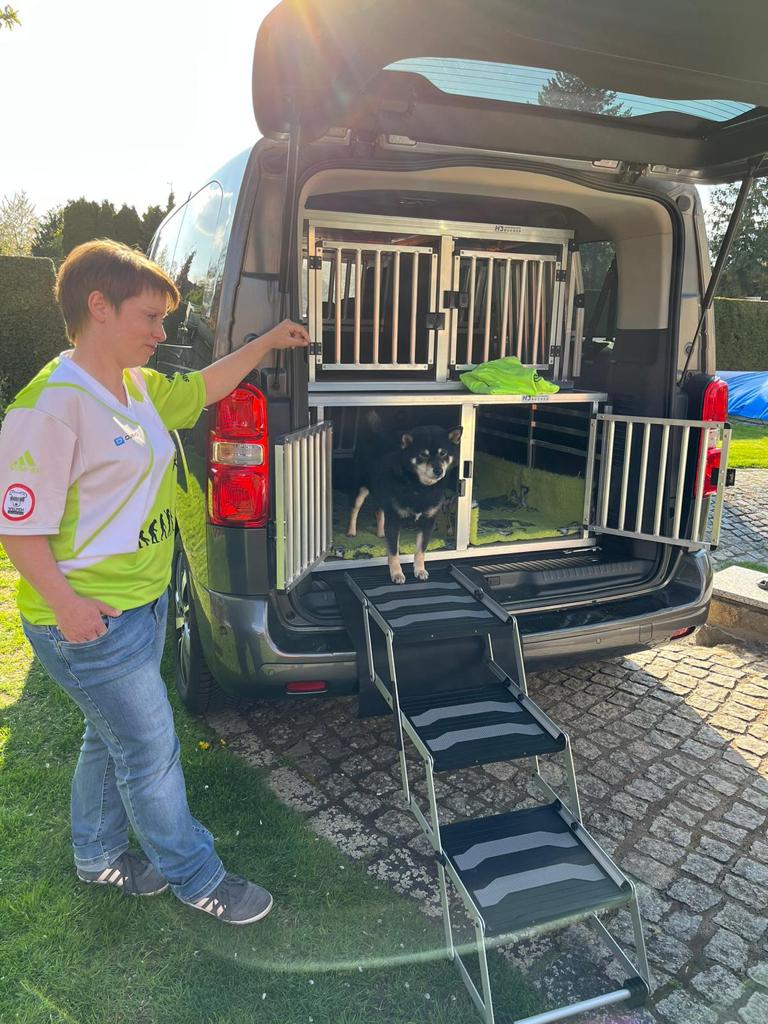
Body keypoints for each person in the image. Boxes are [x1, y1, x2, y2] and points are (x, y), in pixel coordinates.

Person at [0, 239, 309, 924]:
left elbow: (205, 386)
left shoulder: (136, 386)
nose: (162, 333)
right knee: (149, 749)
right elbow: (17, 529)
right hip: (89, 623)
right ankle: (197, 877)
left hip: (142, 606)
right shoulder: (47, 409)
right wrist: (68, 607)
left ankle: (96, 854)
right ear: (98, 307)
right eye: (150, 317)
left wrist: (265, 343)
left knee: (108, 736)